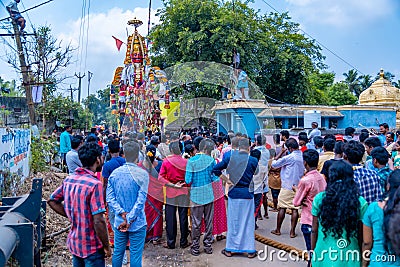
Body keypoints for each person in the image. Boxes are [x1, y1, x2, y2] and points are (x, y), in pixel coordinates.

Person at [48, 143, 111, 266]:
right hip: (92, 247)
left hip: (75, 243)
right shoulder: (94, 184)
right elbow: (99, 221)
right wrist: (107, 247)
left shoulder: (69, 179)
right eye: (101, 157)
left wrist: (74, 215)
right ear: (98, 159)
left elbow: (52, 201)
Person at [311, 160, 368, 267]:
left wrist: (312, 253)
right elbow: (362, 236)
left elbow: (314, 230)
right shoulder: (360, 203)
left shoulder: (319, 199)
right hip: (350, 256)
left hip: (323, 255)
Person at [106, 141, 149, 267]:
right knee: (136, 255)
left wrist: (121, 213)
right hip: (138, 221)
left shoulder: (114, 174)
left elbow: (110, 198)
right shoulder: (142, 174)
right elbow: (141, 201)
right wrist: (129, 218)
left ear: (123, 154)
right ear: (138, 156)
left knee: (118, 252)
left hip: (120, 221)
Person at [214, 138, 258, 258]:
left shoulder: (229, 157)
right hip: (247, 193)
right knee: (248, 222)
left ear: (238, 147)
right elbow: (256, 173)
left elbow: (215, 169)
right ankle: (249, 249)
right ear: (249, 147)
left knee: (233, 221)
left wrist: (227, 180)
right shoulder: (253, 160)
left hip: (234, 192)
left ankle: (231, 249)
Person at [185, 139, 220, 256]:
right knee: (209, 221)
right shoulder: (211, 161)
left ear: (196, 147)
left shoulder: (191, 161)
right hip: (209, 195)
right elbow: (215, 178)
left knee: (196, 223)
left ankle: (195, 247)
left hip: (196, 196)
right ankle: (208, 246)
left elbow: (188, 180)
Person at [293, 149, 326, 267]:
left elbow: (296, 202)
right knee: (318, 250)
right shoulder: (321, 177)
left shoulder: (305, 180)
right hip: (321, 217)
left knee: (311, 251)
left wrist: (297, 191)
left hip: (309, 219)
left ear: (305, 163)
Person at [362, 169, 400, 267]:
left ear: (388, 186)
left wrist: (363, 264)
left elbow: (367, 242)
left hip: (377, 262)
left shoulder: (373, 208)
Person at [158, 141, 190, 249]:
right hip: (184, 191)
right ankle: (183, 241)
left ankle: (171, 242)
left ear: (171, 150)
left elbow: (160, 178)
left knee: (170, 217)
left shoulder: (166, 161)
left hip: (171, 191)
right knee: (183, 216)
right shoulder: (186, 162)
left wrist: (172, 184)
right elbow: (189, 179)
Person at [271, 138, 304, 238]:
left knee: (282, 207)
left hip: (287, 185)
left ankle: (278, 229)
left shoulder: (290, 157)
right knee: (295, 209)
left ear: (289, 148)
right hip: (297, 186)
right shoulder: (302, 156)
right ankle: (292, 232)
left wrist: (281, 153)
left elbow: (274, 164)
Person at [141, 145, 164, 245]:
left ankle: (146, 234)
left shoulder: (140, 165)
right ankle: (156, 237)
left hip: (146, 193)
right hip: (158, 194)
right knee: (157, 213)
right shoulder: (160, 164)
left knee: (147, 213)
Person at [253, 135, 270, 223]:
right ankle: (266, 212)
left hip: (255, 178)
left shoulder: (254, 151)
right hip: (264, 174)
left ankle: (258, 215)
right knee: (264, 196)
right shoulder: (267, 151)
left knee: (255, 202)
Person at [268, 133, 282, 212]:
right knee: (279, 193)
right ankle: (279, 206)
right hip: (280, 176)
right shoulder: (282, 149)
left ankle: (275, 207)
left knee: (274, 194)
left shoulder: (273, 149)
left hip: (273, 177)